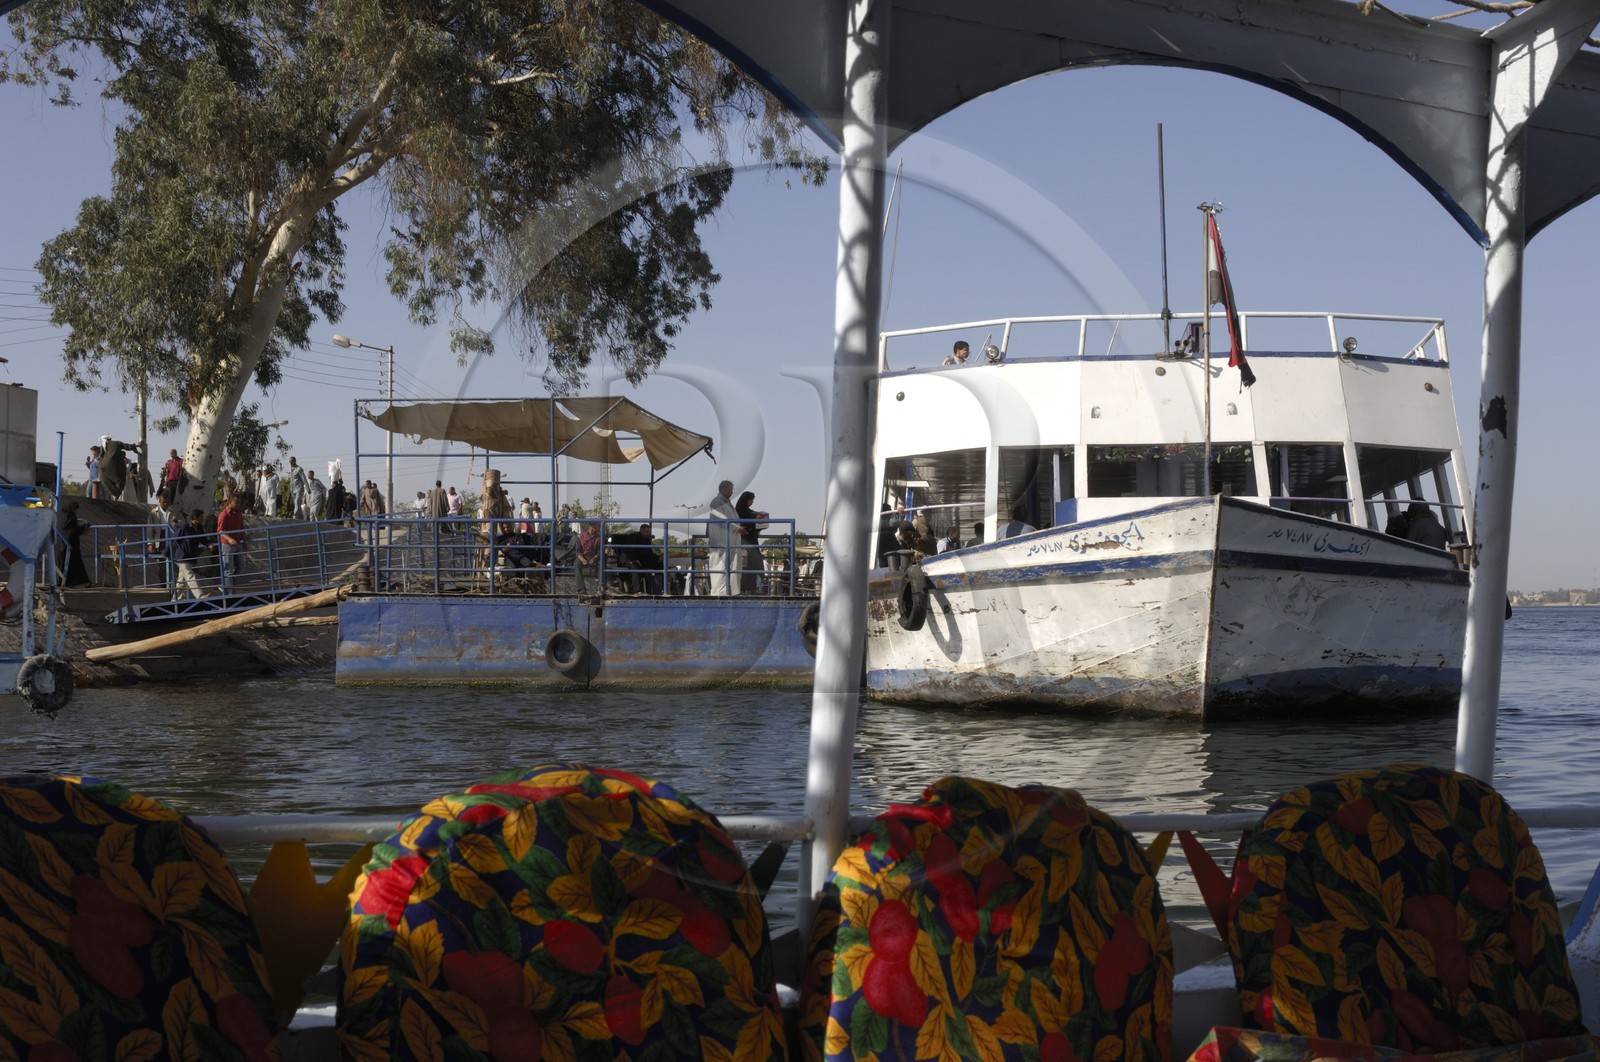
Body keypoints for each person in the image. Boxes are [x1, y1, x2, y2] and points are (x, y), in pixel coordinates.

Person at [706, 479, 740, 596]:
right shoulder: (717, 502)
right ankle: (720, 595)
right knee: (721, 570)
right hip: (721, 542)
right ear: (724, 489)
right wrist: (737, 528)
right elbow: (721, 518)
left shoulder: (726, 502)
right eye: (730, 489)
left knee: (730, 568)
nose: (732, 492)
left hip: (730, 541)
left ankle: (731, 593)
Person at [171, 508, 210, 599]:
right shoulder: (185, 527)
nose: (203, 519)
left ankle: (175, 599)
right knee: (190, 575)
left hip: (190, 556)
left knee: (181, 581)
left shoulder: (199, 528)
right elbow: (174, 540)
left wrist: (209, 544)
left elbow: (203, 539)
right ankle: (200, 595)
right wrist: (172, 550)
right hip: (182, 556)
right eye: (201, 517)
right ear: (195, 518)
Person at [735, 490, 768, 595]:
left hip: (751, 541)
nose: (751, 502)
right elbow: (746, 518)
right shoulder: (739, 511)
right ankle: (744, 588)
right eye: (750, 500)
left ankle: (754, 587)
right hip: (743, 542)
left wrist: (759, 523)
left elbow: (753, 521)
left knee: (756, 564)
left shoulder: (749, 512)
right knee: (745, 566)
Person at [216, 490, 246, 590]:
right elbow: (220, 530)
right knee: (228, 568)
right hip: (227, 544)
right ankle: (229, 591)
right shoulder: (224, 514)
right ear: (230, 503)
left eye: (239, 503)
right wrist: (229, 539)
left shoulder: (238, 514)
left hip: (237, 543)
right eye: (236, 502)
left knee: (241, 566)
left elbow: (241, 528)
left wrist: (244, 541)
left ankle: (228, 583)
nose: (238, 505)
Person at [574, 521, 601, 591]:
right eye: (598, 525)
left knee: (602, 564)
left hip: (594, 557)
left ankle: (601, 587)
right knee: (577, 563)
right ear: (592, 525)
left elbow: (600, 551)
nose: (600, 527)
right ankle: (581, 589)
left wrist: (595, 558)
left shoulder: (599, 538)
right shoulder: (580, 536)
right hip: (583, 557)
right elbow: (578, 552)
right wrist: (582, 559)